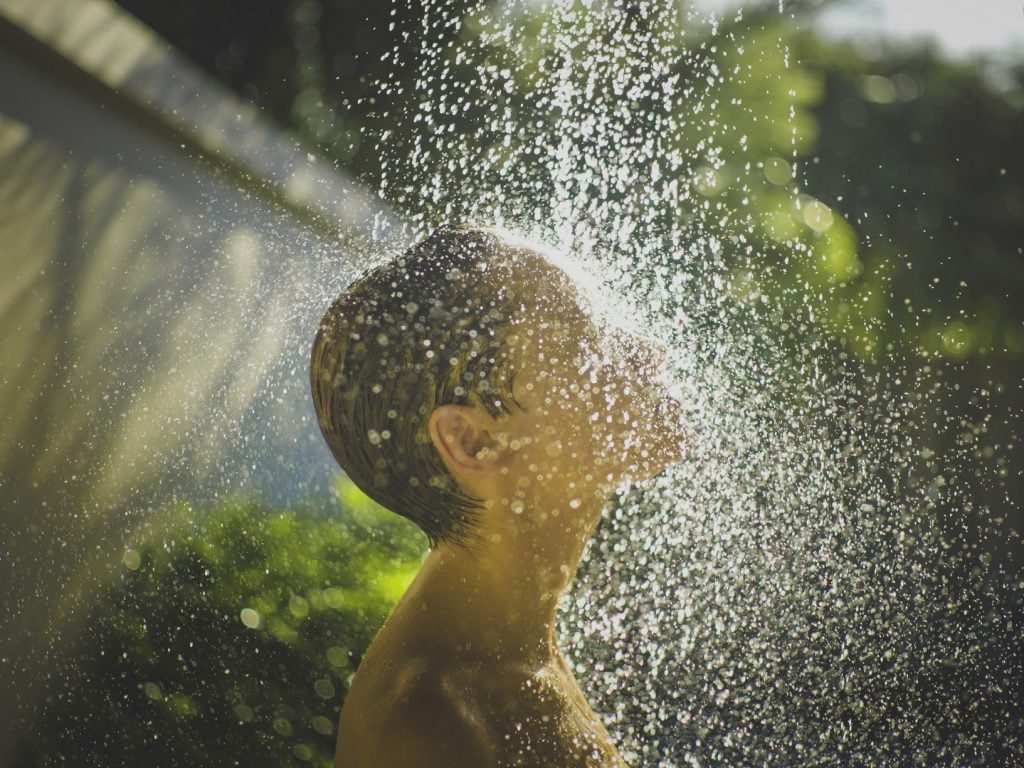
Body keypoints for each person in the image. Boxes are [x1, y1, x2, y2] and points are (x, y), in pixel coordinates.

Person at [309, 224, 686, 767]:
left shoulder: (513, 649)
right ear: (474, 441)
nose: (650, 351)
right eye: (585, 337)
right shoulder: (428, 728)